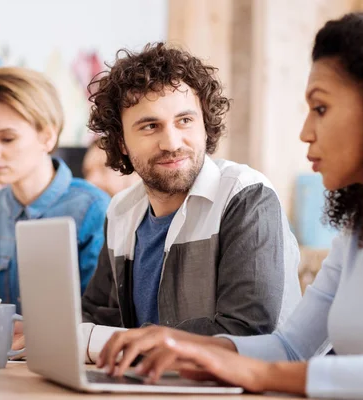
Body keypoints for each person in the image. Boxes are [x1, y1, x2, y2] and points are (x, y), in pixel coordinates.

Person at [96, 13, 363, 399]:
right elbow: (291, 347)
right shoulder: (361, 228)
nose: (305, 132)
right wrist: (184, 347)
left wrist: (260, 374)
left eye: (321, 108)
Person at [77, 43, 301, 362]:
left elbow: (246, 331)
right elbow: (96, 318)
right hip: (149, 386)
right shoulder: (122, 210)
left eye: (184, 121)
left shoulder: (245, 195)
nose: (171, 143)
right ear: (120, 142)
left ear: (205, 124)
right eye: (150, 126)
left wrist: (91, 337)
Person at [0, 67, 110, 337]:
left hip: (61, 366)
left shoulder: (92, 208)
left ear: (47, 137)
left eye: (7, 138)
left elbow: (93, 317)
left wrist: (0, 324)